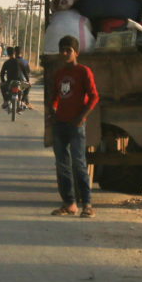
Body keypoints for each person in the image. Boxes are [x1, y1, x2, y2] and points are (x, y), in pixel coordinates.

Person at [47, 35, 98, 218]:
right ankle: (69, 203)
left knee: (79, 164)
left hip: (76, 126)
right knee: (62, 166)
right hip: (60, 125)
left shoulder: (84, 72)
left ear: (76, 52)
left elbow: (94, 97)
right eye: (62, 50)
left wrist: (81, 117)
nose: (64, 53)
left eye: (68, 50)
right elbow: (54, 97)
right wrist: (52, 112)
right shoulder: (60, 74)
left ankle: (87, 204)